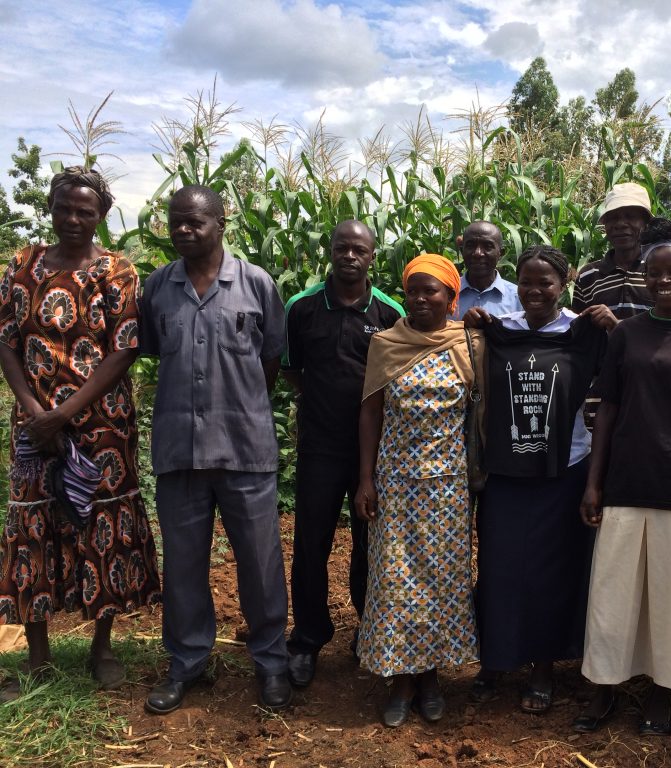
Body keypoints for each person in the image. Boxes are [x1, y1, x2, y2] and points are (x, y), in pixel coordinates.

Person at [0, 167, 160, 700]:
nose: (73, 218)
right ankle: (39, 655)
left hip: (101, 424)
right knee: (33, 527)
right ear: (51, 208)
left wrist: (66, 412)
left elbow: (124, 349)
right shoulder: (21, 265)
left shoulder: (116, 271)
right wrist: (34, 411)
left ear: (101, 216)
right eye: (65, 208)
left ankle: (102, 647)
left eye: (85, 211)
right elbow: (6, 341)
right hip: (34, 424)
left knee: (103, 526)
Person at [574, 217, 671, 736]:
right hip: (626, 478)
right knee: (614, 593)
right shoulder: (627, 336)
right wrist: (594, 483)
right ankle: (603, 689)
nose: (662, 280)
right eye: (653, 273)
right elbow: (609, 409)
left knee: (670, 595)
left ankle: (663, 694)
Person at [140, 185, 291, 714]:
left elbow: (270, 360)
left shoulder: (256, 284)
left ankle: (272, 664)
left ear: (220, 223)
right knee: (182, 567)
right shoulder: (157, 287)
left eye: (194, 222)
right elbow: (157, 352)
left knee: (260, 564)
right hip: (179, 451)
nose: (183, 230)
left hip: (245, 450)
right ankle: (186, 664)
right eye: (175, 222)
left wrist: (238, 404)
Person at [462, 246, 616, 713]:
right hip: (505, 471)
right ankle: (494, 661)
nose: (534, 291)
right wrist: (473, 324)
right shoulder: (499, 329)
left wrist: (616, 327)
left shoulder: (581, 331)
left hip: (563, 469)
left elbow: (631, 370)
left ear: (564, 283)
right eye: (526, 282)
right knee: (499, 568)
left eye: (545, 283)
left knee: (551, 572)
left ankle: (543, 669)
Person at [354, 253, 482, 727]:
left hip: (448, 485)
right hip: (395, 482)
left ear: (452, 299)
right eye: (414, 291)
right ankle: (400, 679)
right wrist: (366, 478)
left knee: (441, 581)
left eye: (433, 291)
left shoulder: (469, 344)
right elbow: (370, 412)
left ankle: (429, 677)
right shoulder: (386, 343)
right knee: (393, 581)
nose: (422, 299)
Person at [281, 220, 404, 688]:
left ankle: (366, 632)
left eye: (360, 249)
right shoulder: (302, 307)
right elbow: (292, 371)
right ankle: (308, 639)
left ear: (373, 256)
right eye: (342, 248)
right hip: (321, 447)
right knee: (312, 544)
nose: (350, 256)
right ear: (329, 251)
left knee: (369, 545)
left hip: (375, 450)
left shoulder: (390, 312)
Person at [571, 182, 654, 319]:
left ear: (645, 224)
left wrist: (617, 326)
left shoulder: (662, 272)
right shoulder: (588, 276)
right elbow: (579, 331)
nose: (620, 224)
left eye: (630, 216)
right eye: (613, 218)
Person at [452, 221, 521, 319]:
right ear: (462, 250)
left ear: (501, 253)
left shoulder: (518, 298)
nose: (478, 253)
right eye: (471, 245)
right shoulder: (447, 295)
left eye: (488, 246)